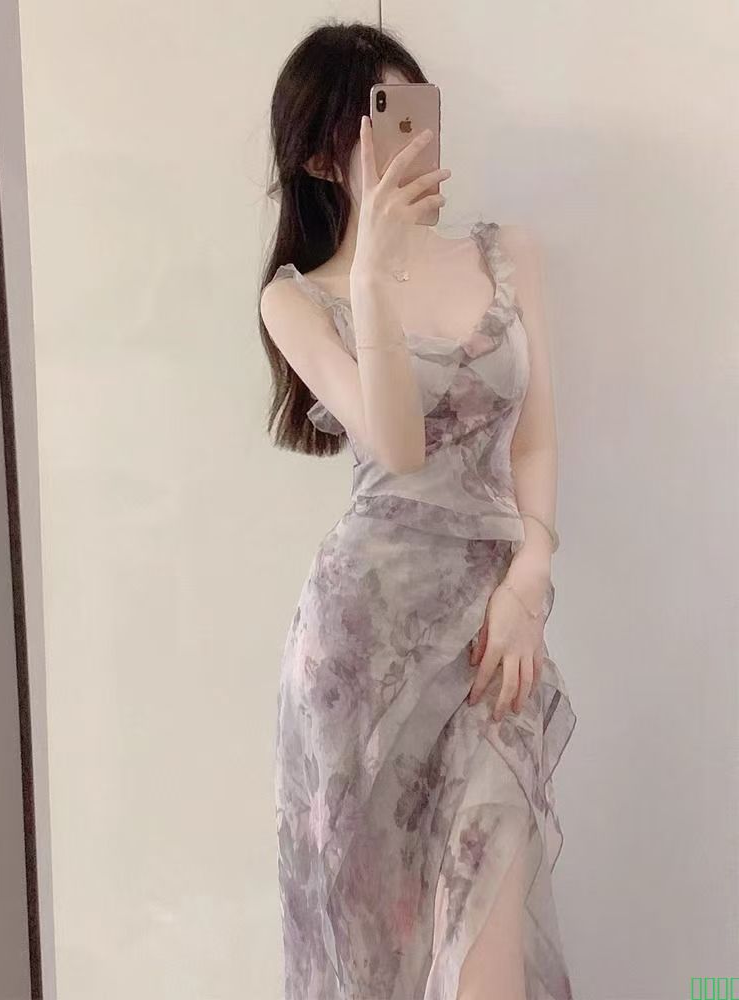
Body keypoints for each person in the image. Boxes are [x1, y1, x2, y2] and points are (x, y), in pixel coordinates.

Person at [259, 21, 577, 1000]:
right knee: (371, 957)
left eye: (413, 108)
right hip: (364, 648)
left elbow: (534, 442)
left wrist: (529, 580)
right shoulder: (299, 300)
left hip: (489, 637)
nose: (410, 141)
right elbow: (397, 446)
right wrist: (371, 275)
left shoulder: (507, 254)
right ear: (324, 159)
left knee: (487, 958)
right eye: (375, 124)